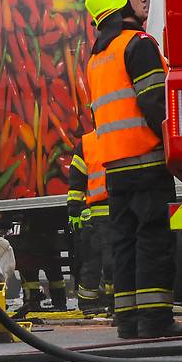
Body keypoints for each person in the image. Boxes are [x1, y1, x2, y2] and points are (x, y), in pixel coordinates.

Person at [85, 0, 182, 339]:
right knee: (153, 241)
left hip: (115, 169)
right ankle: (157, 319)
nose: (143, 0)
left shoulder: (97, 58)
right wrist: (176, 143)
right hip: (147, 160)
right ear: (119, 5)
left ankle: (128, 322)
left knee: (125, 243)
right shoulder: (140, 44)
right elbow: (154, 102)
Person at [68, 131, 113, 316]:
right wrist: (74, 209)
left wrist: (74, 208)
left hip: (99, 211)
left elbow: (75, 178)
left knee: (95, 259)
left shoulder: (87, 142)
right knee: (107, 259)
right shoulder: (115, 138)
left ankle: (91, 303)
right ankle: (110, 302)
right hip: (107, 210)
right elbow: (77, 178)